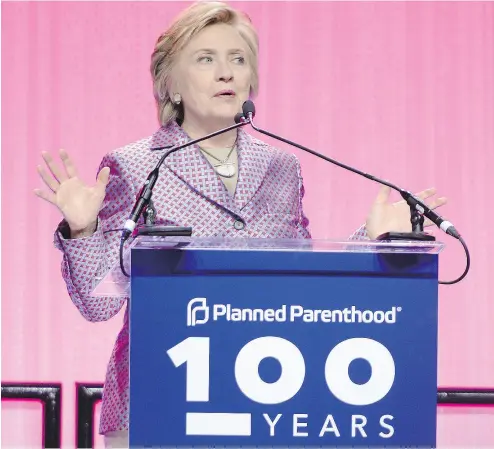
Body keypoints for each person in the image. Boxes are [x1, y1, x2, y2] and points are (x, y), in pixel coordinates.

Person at [34, 1, 446, 446]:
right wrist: (83, 230)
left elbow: (297, 281)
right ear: (171, 84)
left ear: (251, 78)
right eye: (205, 59)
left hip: (265, 398)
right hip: (161, 400)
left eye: (238, 59)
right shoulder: (135, 167)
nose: (226, 73)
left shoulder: (280, 166)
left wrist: (371, 240)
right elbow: (100, 306)